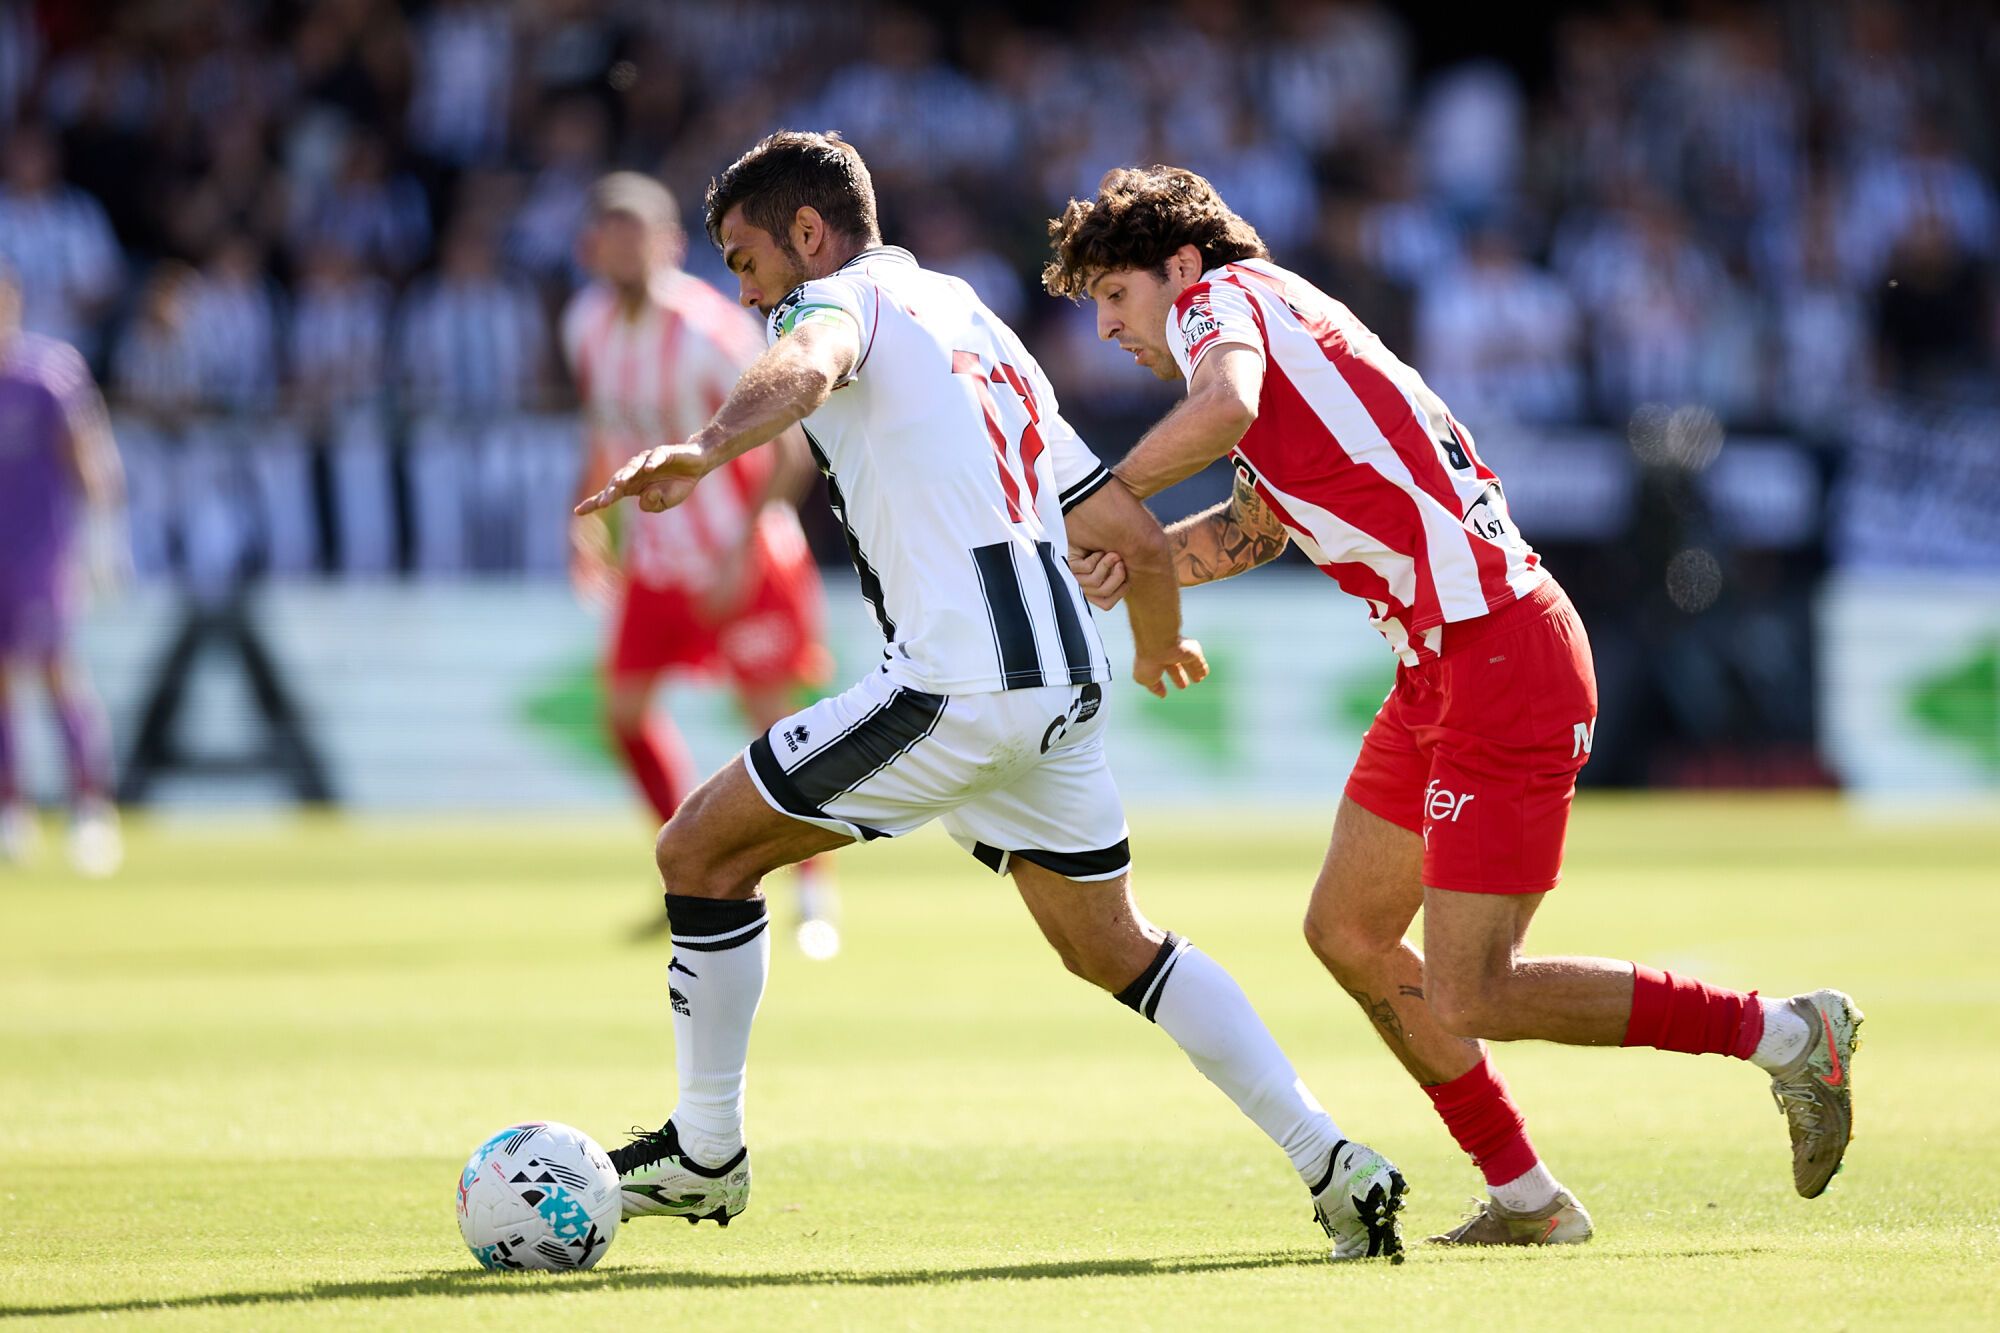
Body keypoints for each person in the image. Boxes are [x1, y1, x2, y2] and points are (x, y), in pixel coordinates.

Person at [573, 132, 1410, 1261]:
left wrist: (708, 446)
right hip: (1062, 682)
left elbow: (808, 359)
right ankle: (1331, 1159)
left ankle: (705, 1152)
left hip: (956, 683)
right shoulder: (971, 322)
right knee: (1114, 944)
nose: (744, 288)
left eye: (745, 258)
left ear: (808, 235)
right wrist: (1158, 645)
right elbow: (1120, 525)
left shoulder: (832, 305)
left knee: (697, 855)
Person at [1045, 165, 1860, 1246]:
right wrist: (1134, 560)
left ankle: (1786, 1034)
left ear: (1179, 266)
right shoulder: (1279, 324)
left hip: (1498, 652)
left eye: (1111, 294)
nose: (1105, 326)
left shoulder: (1222, 306)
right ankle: (1527, 1199)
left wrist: (1100, 504)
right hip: (1443, 663)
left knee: (1476, 987)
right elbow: (1256, 526)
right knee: (1344, 930)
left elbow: (1225, 403)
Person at [563, 172, 839, 955]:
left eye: (636, 236)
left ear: (669, 245)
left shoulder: (712, 332)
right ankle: (696, 860)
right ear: (591, 249)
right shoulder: (585, 324)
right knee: (623, 715)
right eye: (608, 238)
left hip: (737, 554)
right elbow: (604, 430)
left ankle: (815, 894)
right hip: (657, 556)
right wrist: (584, 520)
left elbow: (790, 452)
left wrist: (742, 552)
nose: (622, 252)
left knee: (773, 727)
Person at [0, 264, 123, 874]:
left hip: (40, 550)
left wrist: (104, 542)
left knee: (56, 671)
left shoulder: (48, 374)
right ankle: (10, 808)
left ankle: (90, 807)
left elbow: (91, 458)